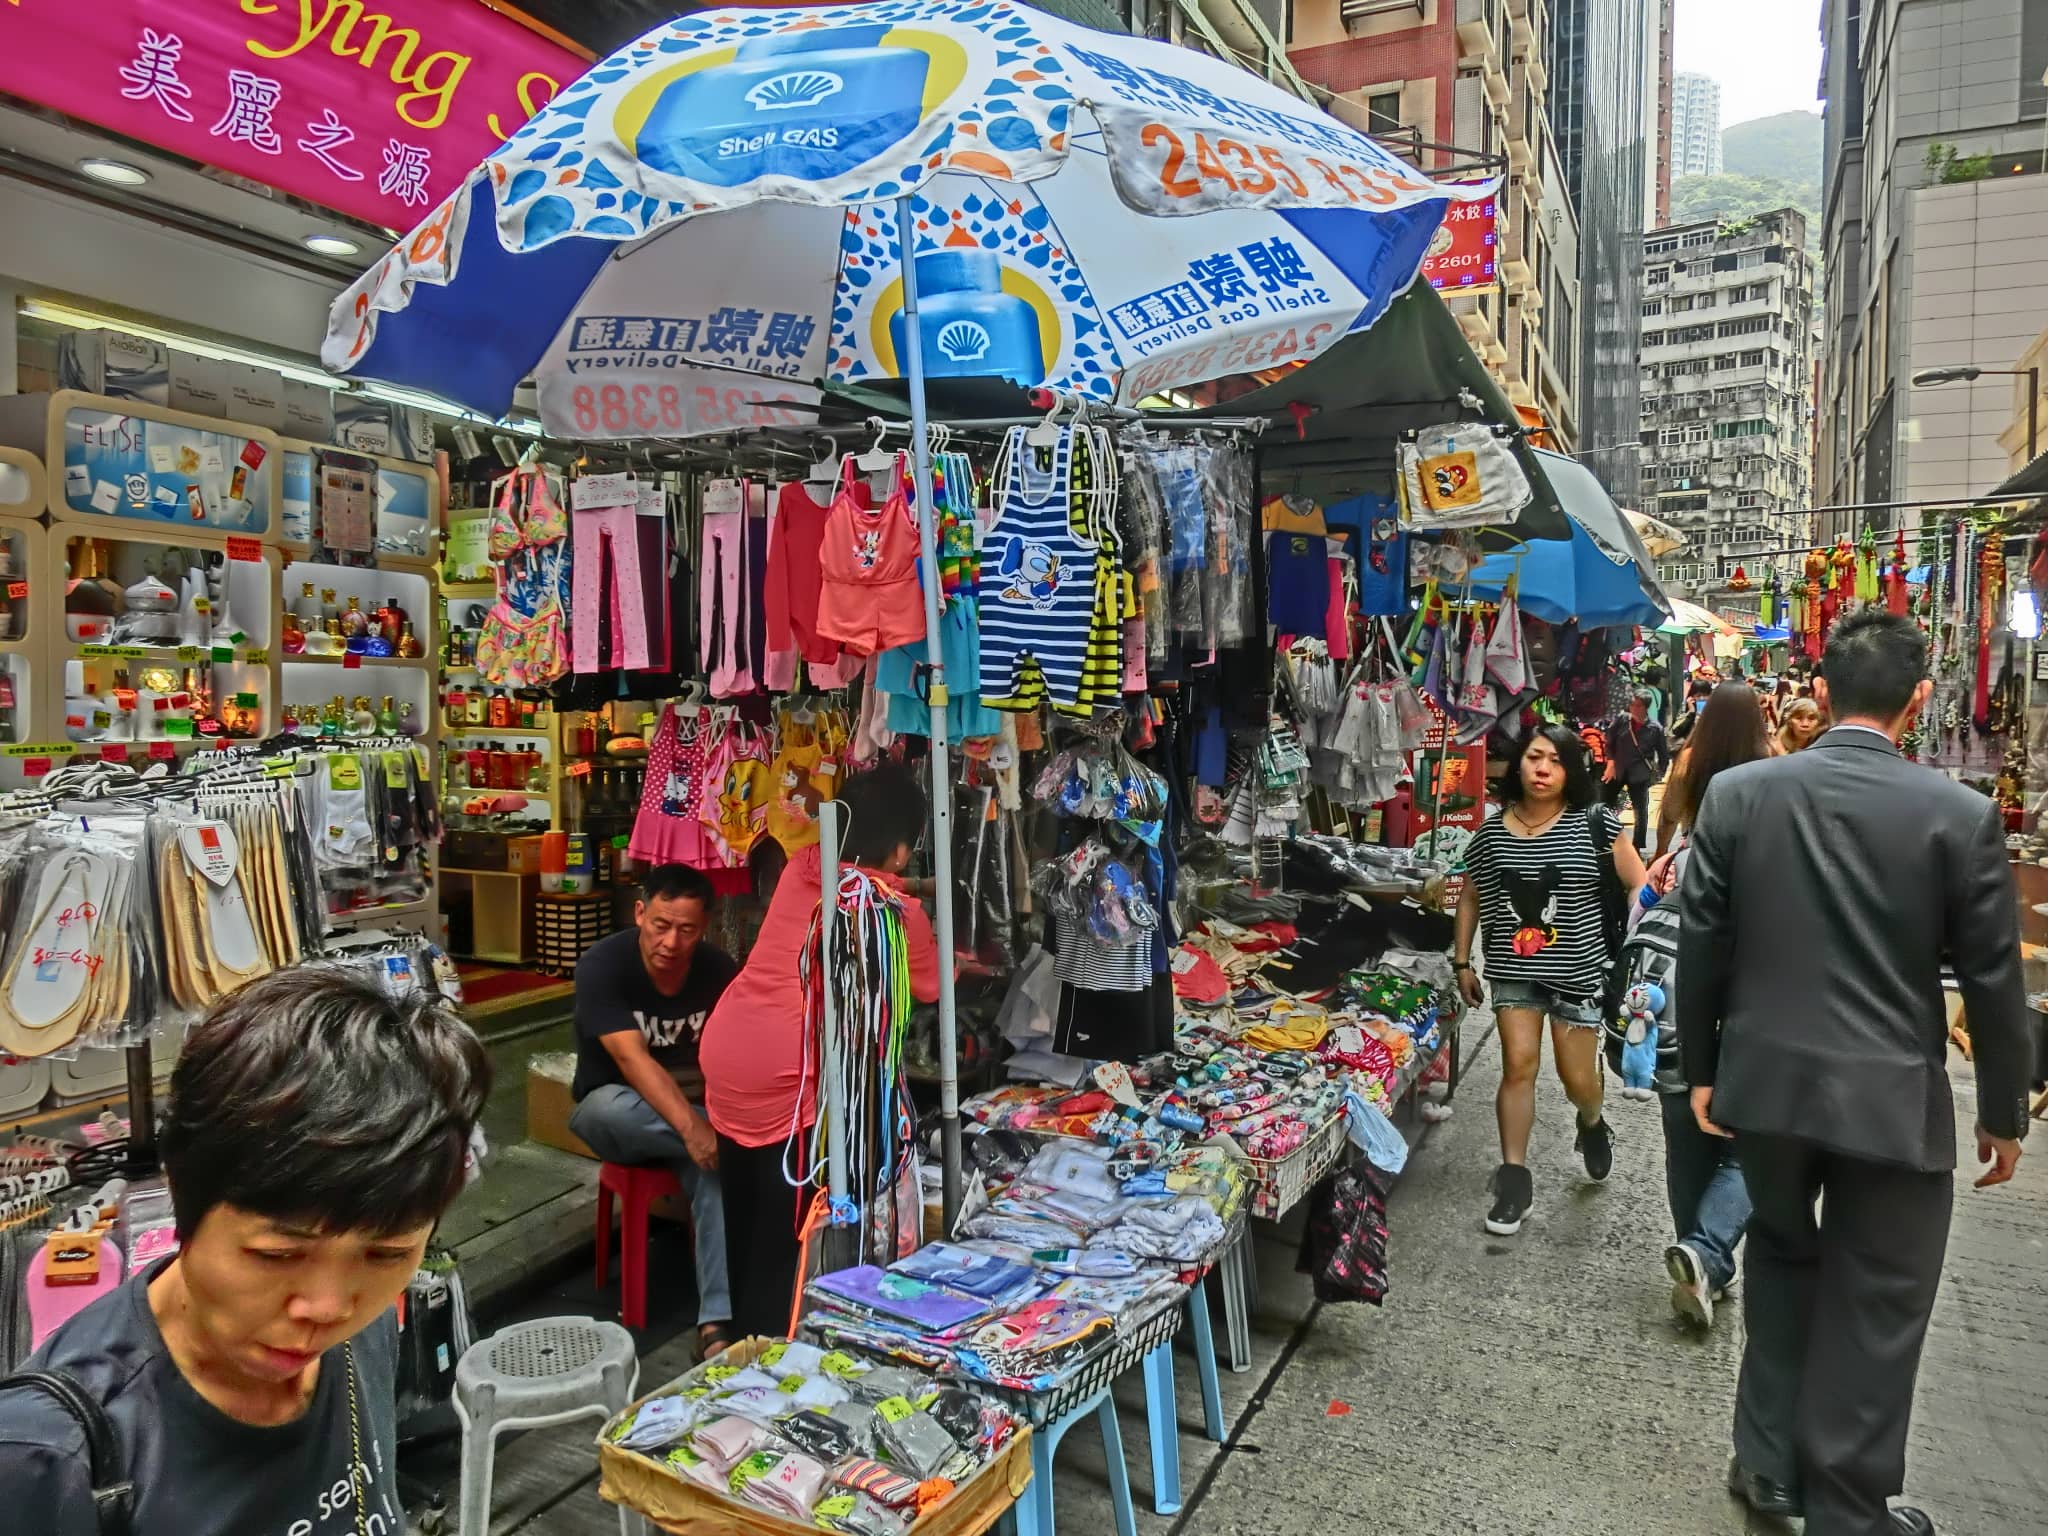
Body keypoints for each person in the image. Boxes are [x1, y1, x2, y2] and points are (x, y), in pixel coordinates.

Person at [1677, 609, 2031, 1536]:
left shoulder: (1741, 795)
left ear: (1823, 691)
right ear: (1920, 699)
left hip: (1770, 1088)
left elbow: (1703, 944)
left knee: (1784, 1260)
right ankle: (1846, 1505)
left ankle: (1768, 1467)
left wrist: (1705, 1069)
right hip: (1890, 1100)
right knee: (1878, 1301)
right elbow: (1993, 974)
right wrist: (2005, 1110)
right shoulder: (1959, 814)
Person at [0, 966, 491, 1534]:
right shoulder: (48, 1458)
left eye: (385, 1255)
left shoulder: (369, 1324)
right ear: (182, 1197)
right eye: (277, 1254)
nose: (327, 1308)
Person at [699, 762, 940, 1339]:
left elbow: (844, 883)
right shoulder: (896, 913)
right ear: (903, 852)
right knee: (791, 1241)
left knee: (748, 1220)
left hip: (729, 1048)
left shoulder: (801, 869)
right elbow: (928, 987)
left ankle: (735, 1340)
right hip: (790, 1071)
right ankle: (769, 1360)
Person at [1455, 723, 1651, 1236]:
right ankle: (1514, 1181)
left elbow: (1638, 886)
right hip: (1512, 968)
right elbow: (1472, 896)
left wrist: (1638, 933)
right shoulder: (1492, 832)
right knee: (1518, 1065)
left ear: (1570, 771)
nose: (1542, 769)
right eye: (1534, 757)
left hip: (1581, 973)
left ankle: (1591, 1122)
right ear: (1518, 764)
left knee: (1576, 1079)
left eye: (1556, 760)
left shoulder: (1597, 824)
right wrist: (1461, 962)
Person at [1639, 682, 1771, 1329]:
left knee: (1684, 1134)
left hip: (1678, 992)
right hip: (1752, 994)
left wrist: (1662, 864)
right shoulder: (1774, 785)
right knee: (1752, 1143)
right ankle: (1705, 1251)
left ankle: (1700, 1257)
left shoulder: (1689, 772)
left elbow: (1664, 848)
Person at [567, 864, 739, 1357]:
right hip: (620, 1112)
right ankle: (729, 1147)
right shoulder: (603, 964)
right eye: (661, 925)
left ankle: (716, 1326)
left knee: (713, 1175)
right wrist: (695, 1129)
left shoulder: (717, 970)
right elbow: (630, 1058)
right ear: (640, 913)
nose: (671, 941)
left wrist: (710, 1127)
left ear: (703, 926)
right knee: (607, 1109)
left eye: (686, 930)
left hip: (697, 1116)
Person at [1601, 689, 1670, 852]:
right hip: (1618, 770)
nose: (1633, 708)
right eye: (1631, 704)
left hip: (1639, 773)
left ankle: (1637, 846)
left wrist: (1659, 775)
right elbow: (1609, 741)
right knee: (1604, 804)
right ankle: (1603, 839)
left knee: (1641, 811)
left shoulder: (1655, 728)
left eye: (1637, 705)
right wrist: (1610, 763)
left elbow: (1663, 754)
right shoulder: (1621, 720)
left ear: (1645, 707)